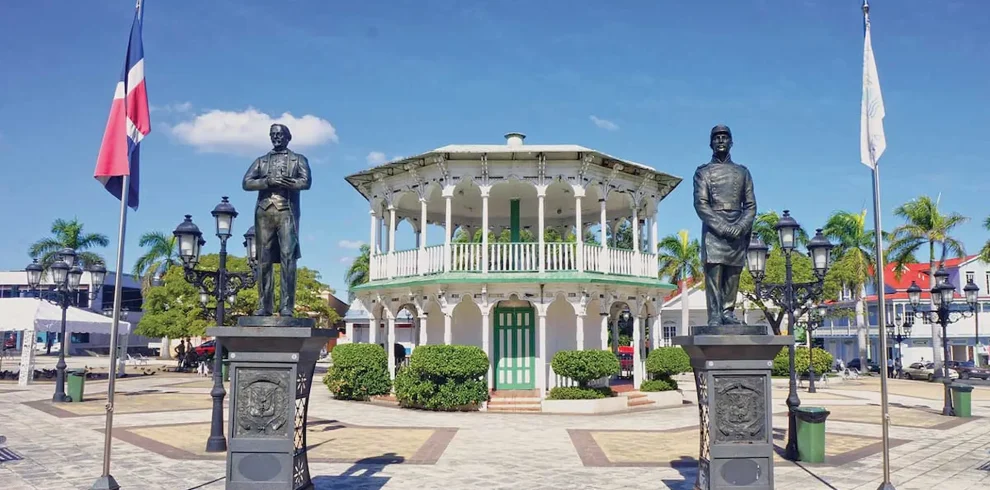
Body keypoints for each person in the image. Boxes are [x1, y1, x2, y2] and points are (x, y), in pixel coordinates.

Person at [692, 124, 757, 327]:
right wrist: (721, 227)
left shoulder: (742, 172)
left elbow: (751, 205)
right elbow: (700, 203)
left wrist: (741, 226)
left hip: (738, 228)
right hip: (714, 229)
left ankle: (728, 312)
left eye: (724, 137)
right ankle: (714, 315)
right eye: (717, 137)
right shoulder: (703, 172)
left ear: (731, 142)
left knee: (733, 274)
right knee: (714, 273)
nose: (721, 140)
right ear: (711, 143)